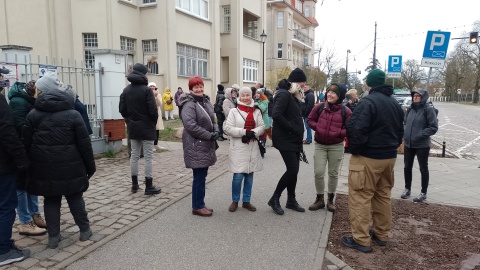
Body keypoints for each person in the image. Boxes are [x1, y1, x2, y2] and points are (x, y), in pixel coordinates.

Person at [22, 71, 96, 249]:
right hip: (72, 166)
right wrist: (90, 167)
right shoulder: (73, 114)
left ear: (41, 92)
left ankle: (54, 237)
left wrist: (28, 168)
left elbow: (25, 143)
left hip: (44, 168)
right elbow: (85, 144)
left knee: (51, 200)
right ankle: (85, 230)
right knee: (75, 198)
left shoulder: (33, 115)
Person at [342, 69, 404, 253]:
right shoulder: (394, 103)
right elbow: (401, 132)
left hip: (368, 158)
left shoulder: (367, 102)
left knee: (360, 197)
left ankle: (361, 239)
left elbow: (356, 130)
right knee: (382, 196)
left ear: (369, 84)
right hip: (389, 158)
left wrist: (355, 150)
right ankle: (382, 234)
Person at [7, 80, 47, 236]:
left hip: (29, 149)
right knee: (21, 187)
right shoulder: (18, 102)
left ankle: (35, 214)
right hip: (21, 150)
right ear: (35, 91)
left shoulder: (27, 100)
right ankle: (25, 221)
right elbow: (21, 127)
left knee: (32, 184)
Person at [268, 67, 307, 215]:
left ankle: (291, 200)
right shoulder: (284, 94)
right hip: (285, 139)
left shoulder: (294, 95)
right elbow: (276, 114)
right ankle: (275, 198)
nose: (304, 86)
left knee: (294, 171)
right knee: (292, 170)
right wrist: (291, 127)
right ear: (296, 82)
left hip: (294, 139)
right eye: (302, 83)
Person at [307, 83, 351, 213]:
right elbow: (310, 120)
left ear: (340, 96)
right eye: (328, 92)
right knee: (319, 172)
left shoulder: (345, 111)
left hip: (336, 146)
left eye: (333, 93)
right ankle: (320, 199)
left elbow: (350, 128)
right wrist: (318, 128)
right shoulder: (320, 107)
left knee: (333, 173)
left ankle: (331, 200)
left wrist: (338, 133)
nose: (329, 95)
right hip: (320, 145)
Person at [179, 75, 219, 217]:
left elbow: (211, 118)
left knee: (202, 175)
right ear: (190, 89)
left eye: (200, 86)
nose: (199, 89)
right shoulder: (189, 104)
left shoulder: (205, 101)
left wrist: (216, 129)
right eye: (195, 87)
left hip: (204, 144)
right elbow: (190, 126)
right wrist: (209, 135)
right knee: (199, 176)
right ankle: (197, 206)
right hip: (196, 144)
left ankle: (200, 203)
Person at [119, 63, 161, 195]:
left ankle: (134, 184)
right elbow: (153, 111)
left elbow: (122, 110)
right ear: (143, 74)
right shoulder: (147, 90)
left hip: (133, 126)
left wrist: (129, 120)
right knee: (148, 156)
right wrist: (152, 123)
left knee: (134, 156)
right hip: (147, 127)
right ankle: (148, 186)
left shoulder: (126, 90)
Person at [0, 94, 31, 266]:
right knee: (6, 206)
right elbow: (7, 132)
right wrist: (21, 158)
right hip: (3, 165)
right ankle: (3, 250)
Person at [224, 87, 265, 212]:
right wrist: (244, 132)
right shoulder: (234, 112)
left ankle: (246, 201)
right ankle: (235, 200)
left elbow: (262, 126)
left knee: (249, 175)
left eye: (248, 95)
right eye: (243, 95)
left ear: (251, 96)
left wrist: (253, 133)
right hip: (238, 148)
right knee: (238, 176)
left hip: (252, 147)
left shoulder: (256, 111)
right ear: (239, 97)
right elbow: (228, 128)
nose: (245, 98)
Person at [401, 89, 438, 203]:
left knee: (423, 168)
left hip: (422, 144)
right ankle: (407, 189)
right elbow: (405, 122)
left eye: (418, 96)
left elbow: (433, 127)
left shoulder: (428, 110)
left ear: (423, 97)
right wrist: (405, 134)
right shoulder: (410, 109)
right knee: (407, 167)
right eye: (414, 96)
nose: (415, 98)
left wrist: (421, 134)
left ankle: (423, 192)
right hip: (409, 143)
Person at [148, 82, 165, 151]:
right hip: (149, 114)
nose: (152, 87)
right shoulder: (147, 94)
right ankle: (150, 145)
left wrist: (155, 96)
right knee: (150, 129)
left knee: (157, 129)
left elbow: (160, 103)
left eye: (153, 86)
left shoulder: (158, 94)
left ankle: (156, 144)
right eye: (150, 86)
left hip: (157, 113)